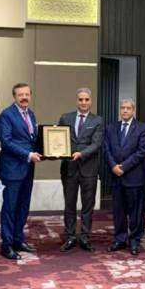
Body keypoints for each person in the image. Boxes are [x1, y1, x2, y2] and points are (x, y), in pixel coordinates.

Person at [58, 88, 104, 253]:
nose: (83, 102)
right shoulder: (66, 118)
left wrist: (81, 154)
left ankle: (85, 237)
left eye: (86, 99)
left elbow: (96, 144)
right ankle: (70, 236)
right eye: (80, 99)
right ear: (76, 101)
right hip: (69, 168)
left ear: (90, 101)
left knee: (87, 206)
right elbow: (57, 138)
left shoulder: (97, 120)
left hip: (88, 169)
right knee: (69, 204)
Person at [0, 83, 40, 260]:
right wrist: (28, 154)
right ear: (14, 96)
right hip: (12, 169)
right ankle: (7, 245)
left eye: (27, 94)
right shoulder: (7, 115)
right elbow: (6, 141)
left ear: (30, 95)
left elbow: (32, 140)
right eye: (20, 95)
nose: (24, 97)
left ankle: (18, 239)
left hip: (28, 169)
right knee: (10, 207)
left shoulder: (31, 114)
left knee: (23, 206)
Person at [104, 98, 145, 255]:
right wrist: (113, 166)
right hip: (116, 176)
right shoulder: (111, 128)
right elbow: (106, 150)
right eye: (122, 108)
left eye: (128, 108)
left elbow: (141, 152)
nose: (125, 110)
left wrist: (123, 167)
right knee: (119, 211)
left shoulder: (142, 128)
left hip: (134, 177)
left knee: (136, 212)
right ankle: (120, 239)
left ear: (133, 110)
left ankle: (135, 240)